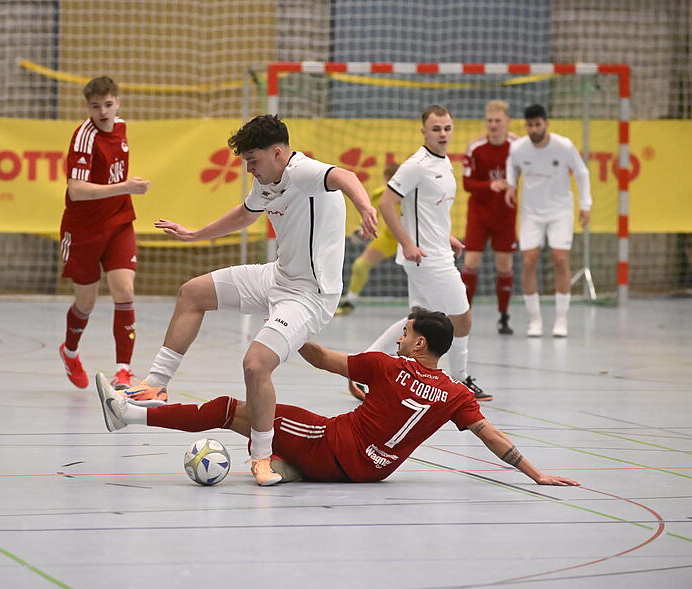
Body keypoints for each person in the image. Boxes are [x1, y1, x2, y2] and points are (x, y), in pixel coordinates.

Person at [122, 114, 377, 486]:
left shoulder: (304, 171)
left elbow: (345, 177)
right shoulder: (267, 180)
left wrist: (365, 207)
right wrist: (195, 235)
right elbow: (245, 214)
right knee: (192, 293)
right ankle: (156, 384)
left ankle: (262, 458)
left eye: (253, 162)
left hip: (310, 296)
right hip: (278, 276)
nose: (249, 171)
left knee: (256, 366)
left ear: (278, 153)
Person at [97, 307, 579, 487]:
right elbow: (490, 435)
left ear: (418, 345)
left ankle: (129, 415)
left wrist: (285, 324)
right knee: (281, 425)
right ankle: (290, 466)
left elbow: (321, 358)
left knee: (236, 410)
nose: (397, 339)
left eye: (404, 332)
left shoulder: (388, 367)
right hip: (376, 469)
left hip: (337, 446)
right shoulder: (455, 393)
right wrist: (536, 474)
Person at [349, 105, 491, 402]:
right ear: (424, 131)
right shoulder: (416, 165)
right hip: (426, 258)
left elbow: (430, 211)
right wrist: (407, 243)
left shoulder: (445, 163)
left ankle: (359, 369)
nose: (442, 134)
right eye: (436, 128)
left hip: (437, 249)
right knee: (461, 318)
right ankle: (461, 379)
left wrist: (446, 236)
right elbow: (387, 204)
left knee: (416, 320)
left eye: (447, 128)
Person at [58, 76, 151, 391]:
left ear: (118, 103)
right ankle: (70, 352)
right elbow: (77, 189)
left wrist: (122, 194)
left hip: (119, 222)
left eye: (108, 104)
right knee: (86, 301)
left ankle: (123, 372)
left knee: (124, 290)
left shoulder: (121, 128)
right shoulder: (84, 138)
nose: (103, 111)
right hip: (83, 229)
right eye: (95, 106)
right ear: (88, 107)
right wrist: (126, 187)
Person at [505, 104, 592, 337]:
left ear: (546, 123)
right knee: (528, 260)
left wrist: (585, 205)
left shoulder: (563, 146)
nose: (534, 129)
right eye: (530, 125)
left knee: (560, 259)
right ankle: (535, 320)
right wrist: (511, 185)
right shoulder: (518, 148)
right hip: (531, 212)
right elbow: (511, 167)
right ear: (526, 126)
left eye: (538, 124)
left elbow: (582, 173)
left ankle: (561, 319)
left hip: (560, 211)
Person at [460, 100, 518, 335]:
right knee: (471, 261)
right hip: (480, 214)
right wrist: (489, 185)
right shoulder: (475, 148)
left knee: (504, 265)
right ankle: (463, 315)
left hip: (505, 214)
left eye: (498, 121)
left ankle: (504, 316)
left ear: (507, 122)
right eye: (490, 121)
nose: (493, 125)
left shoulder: (518, 146)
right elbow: (467, 183)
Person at [336, 162, 400, 316]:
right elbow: (370, 216)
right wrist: (361, 230)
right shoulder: (380, 195)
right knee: (360, 265)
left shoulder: (413, 195)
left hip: (413, 240)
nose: (391, 184)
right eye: (388, 180)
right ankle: (350, 302)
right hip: (390, 239)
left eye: (395, 179)